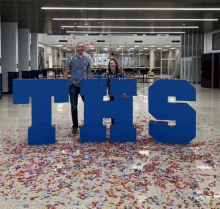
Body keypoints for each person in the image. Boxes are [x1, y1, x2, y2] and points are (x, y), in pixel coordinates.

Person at [64, 42, 93, 134]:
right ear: (76, 48)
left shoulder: (87, 59)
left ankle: (88, 123)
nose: (80, 48)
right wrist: (65, 81)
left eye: (82, 47)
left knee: (88, 105)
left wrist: (91, 82)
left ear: (84, 48)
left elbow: (89, 72)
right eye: (79, 46)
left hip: (84, 85)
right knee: (73, 106)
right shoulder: (71, 59)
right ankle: (75, 126)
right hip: (73, 85)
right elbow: (66, 71)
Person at [103, 58, 125, 126]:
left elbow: (124, 81)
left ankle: (119, 123)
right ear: (109, 65)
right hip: (111, 93)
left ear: (116, 64)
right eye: (111, 63)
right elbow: (104, 83)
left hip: (119, 93)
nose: (112, 64)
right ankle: (113, 123)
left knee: (119, 108)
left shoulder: (120, 73)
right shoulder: (107, 74)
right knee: (113, 108)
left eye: (114, 63)